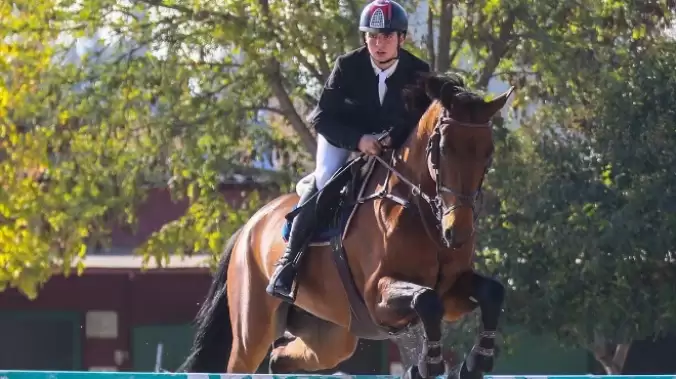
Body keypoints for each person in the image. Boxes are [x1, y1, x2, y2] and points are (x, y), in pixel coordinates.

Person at [266, 0, 432, 304]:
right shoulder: (347, 65)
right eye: (372, 36)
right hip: (344, 134)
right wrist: (358, 141)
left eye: (386, 36)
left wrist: (391, 139)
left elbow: (419, 120)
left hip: (392, 141)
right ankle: (287, 265)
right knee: (327, 177)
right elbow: (321, 117)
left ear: (402, 39)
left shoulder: (419, 72)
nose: (378, 44)